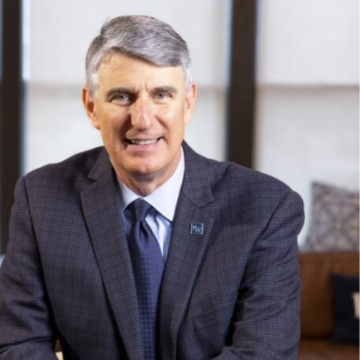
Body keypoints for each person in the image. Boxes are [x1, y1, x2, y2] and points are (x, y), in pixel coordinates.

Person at [0, 15, 304, 360]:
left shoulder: (266, 207)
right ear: (91, 107)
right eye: (121, 96)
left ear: (187, 102)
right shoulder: (41, 200)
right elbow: (17, 344)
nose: (142, 120)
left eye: (161, 94)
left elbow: (265, 353)